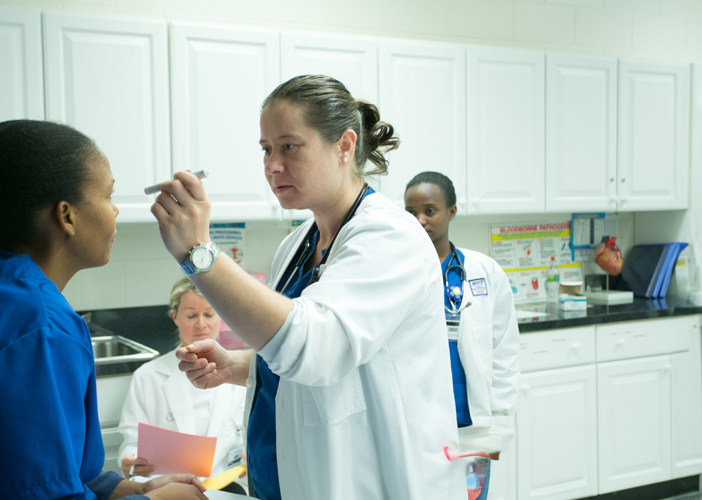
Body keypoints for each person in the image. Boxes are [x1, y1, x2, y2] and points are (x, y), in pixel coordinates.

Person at [150, 75, 462, 499]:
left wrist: (200, 254)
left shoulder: (392, 237)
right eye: (266, 149)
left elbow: (318, 347)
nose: (271, 166)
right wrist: (241, 366)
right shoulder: (298, 243)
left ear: (345, 147)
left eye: (289, 146)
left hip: (373, 480)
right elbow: (303, 354)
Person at [0, 120, 206, 500]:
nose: (115, 211)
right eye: (108, 195)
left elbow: (43, 473)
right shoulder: (37, 328)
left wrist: (130, 488)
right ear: (67, 215)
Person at [404, 172, 521, 498]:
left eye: (430, 210)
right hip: (417, 423)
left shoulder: (485, 272)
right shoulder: (398, 273)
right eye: (411, 212)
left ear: (451, 212)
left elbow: (504, 351)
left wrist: (497, 427)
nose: (420, 220)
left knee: (471, 497)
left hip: (471, 424)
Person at [117, 277, 247, 492]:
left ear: (219, 317)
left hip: (224, 487)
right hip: (167, 490)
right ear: (175, 317)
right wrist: (129, 460)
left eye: (209, 314)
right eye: (191, 315)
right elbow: (131, 443)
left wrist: (249, 454)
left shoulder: (238, 373)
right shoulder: (147, 376)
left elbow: (246, 435)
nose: (201, 324)